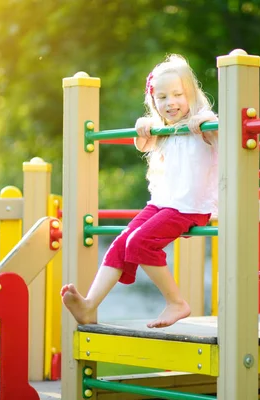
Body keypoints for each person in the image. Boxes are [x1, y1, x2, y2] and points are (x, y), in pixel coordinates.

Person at [61, 54, 218, 328]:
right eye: (162, 97)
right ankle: (88, 306)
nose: (170, 103)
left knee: (139, 242)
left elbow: (225, 136)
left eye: (178, 94)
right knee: (121, 243)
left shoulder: (204, 124)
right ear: (153, 100)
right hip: (162, 203)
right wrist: (142, 126)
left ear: (191, 93)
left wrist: (204, 121)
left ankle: (176, 302)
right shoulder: (163, 129)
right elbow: (142, 143)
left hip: (190, 206)